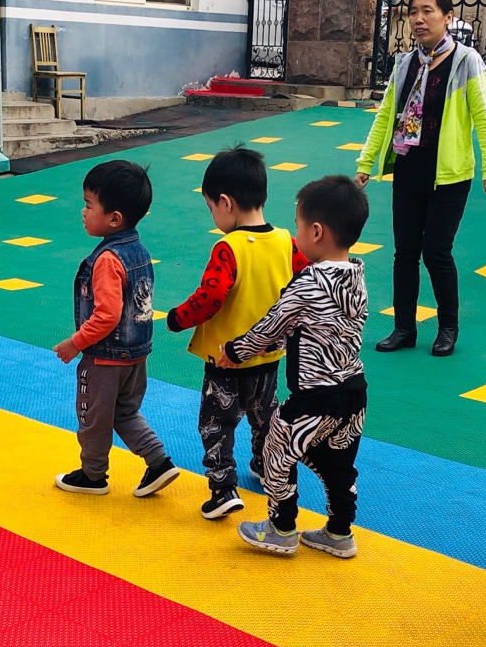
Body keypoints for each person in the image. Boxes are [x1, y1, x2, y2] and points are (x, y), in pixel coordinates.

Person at [223, 175, 370, 559]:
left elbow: (273, 325)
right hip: (354, 392)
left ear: (317, 231)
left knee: (276, 447)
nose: (296, 234)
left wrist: (234, 351)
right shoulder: (357, 275)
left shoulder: (310, 282)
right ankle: (339, 532)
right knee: (338, 464)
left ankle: (281, 527)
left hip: (315, 396)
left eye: (299, 226)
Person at [356, 0, 486, 357]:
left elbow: (483, 116)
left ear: (447, 17)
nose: (418, 19)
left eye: (427, 11)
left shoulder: (466, 61)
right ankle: (404, 328)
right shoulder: (406, 63)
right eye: (412, 12)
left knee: (437, 251)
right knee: (405, 252)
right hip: (409, 169)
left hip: (449, 175)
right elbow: (386, 115)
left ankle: (447, 327)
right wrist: (366, 162)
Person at [166, 146, 306, 520]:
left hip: (226, 359)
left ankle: (223, 488)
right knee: (266, 416)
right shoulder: (286, 241)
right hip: (269, 355)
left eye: (211, 207)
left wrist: (178, 318)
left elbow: (211, 297)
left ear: (225, 203)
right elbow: (303, 282)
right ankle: (266, 465)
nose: (213, 216)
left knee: (217, 424)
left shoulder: (228, 248)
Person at [53, 160, 180, 499]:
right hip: (136, 356)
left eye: (89, 205)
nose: (83, 212)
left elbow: (107, 315)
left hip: (104, 360)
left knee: (93, 417)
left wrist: (76, 343)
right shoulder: (139, 250)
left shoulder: (107, 260)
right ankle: (158, 461)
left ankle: (93, 475)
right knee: (124, 411)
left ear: (114, 219)